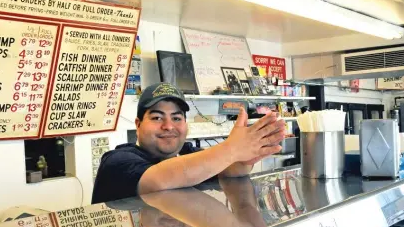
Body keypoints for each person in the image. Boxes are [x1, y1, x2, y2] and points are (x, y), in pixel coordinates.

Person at [91, 82, 285, 204]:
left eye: (176, 118)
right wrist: (233, 149)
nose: (168, 126)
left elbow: (228, 170)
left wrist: (246, 159)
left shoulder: (188, 153)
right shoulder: (117, 161)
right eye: (157, 118)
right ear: (138, 125)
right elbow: (158, 179)